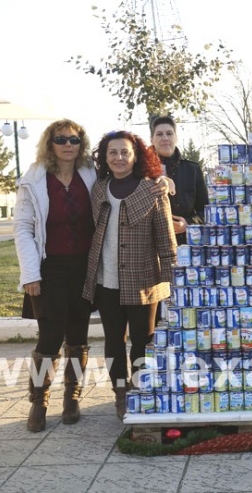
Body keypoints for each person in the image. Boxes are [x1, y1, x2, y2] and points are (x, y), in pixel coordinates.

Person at [82, 130, 177, 419]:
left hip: (144, 281)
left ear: (136, 156)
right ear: (105, 157)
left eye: (125, 152)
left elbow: (166, 238)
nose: (119, 157)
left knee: (142, 339)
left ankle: (140, 390)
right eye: (113, 152)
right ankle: (120, 394)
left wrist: (176, 281)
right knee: (113, 339)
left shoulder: (152, 189)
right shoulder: (99, 189)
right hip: (105, 280)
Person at [14, 119, 96, 432]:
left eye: (74, 140)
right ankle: (38, 399)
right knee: (49, 338)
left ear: (81, 144)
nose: (67, 145)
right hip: (49, 269)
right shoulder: (34, 178)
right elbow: (22, 227)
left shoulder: (90, 174)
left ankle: (72, 396)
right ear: (50, 143)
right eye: (60, 139)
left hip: (84, 268)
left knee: (78, 337)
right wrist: (30, 274)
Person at [150, 115, 209, 245]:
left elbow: (206, 211)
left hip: (186, 246)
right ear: (152, 139)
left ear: (176, 138)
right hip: (153, 247)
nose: (165, 138)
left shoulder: (192, 170)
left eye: (169, 133)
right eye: (159, 134)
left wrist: (188, 223)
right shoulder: (143, 172)